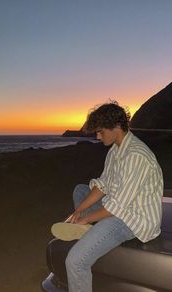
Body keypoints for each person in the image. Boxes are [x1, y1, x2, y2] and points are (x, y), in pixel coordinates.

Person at [51, 101, 163, 292]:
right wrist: (77, 212)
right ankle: (89, 229)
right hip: (121, 205)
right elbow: (103, 186)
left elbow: (116, 208)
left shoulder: (136, 156)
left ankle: (90, 229)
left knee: (75, 261)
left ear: (117, 127)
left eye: (101, 131)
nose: (97, 136)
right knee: (81, 190)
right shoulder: (116, 150)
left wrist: (84, 218)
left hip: (133, 219)